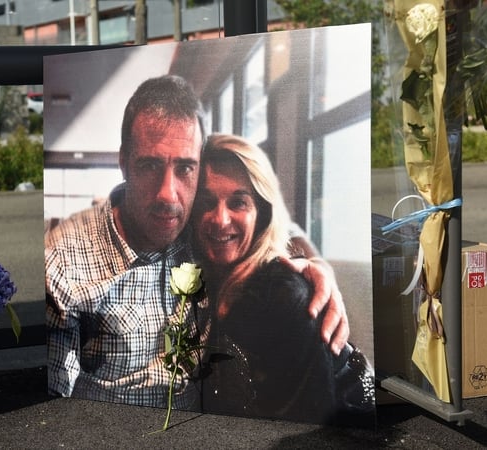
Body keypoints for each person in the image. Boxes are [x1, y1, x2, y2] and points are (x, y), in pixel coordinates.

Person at [45, 74, 349, 410]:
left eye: (186, 168)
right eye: (149, 165)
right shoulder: (64, 268)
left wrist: (315, 268)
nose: (168, 194)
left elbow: (271, 225)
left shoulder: (195, 230)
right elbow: (52, 409)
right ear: (124, 164)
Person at [192, 134, 375, 424]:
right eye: (206, 203)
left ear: (261, 214)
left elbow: (310, 430)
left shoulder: (284, 296)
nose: (220, 219)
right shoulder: (202, 276)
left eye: (238, 202)